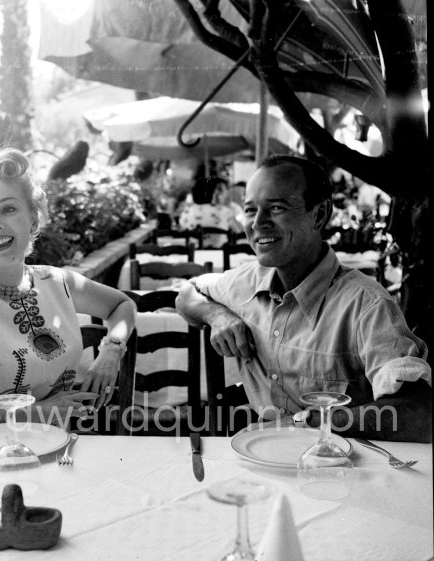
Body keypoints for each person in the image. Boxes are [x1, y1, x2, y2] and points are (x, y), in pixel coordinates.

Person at [176, 154, 432, 441]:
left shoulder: (366, 305)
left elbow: (419, 414)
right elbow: (187, 292)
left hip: (342, 466)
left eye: (276, 208)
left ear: (320, 214)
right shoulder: (244, 283)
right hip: (265, 459)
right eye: (250, 210)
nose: (258, 223)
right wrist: (217, 316)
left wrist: (305, 423)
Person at [0, 148, 136, 439]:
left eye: (8, 209)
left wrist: (112, 350)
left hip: (57, 448)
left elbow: (122, 306)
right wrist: (40, 411)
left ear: (33, 219)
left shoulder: (56, 281)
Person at [178, 176, 243, 247]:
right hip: (221, 254)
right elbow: (239, 232)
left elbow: (182, 231)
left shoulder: (187, 212)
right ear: (212, 193)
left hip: (195, 254)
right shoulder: (225, 211)